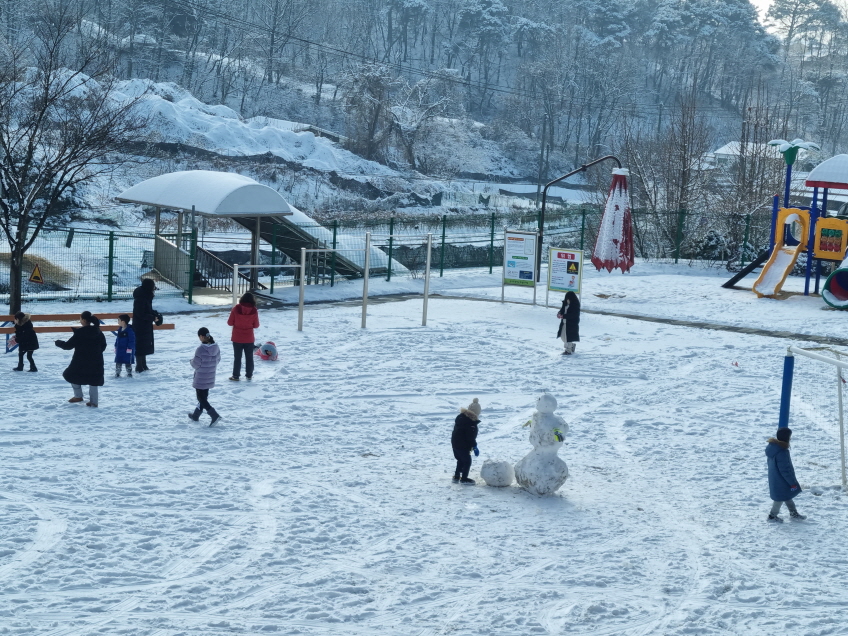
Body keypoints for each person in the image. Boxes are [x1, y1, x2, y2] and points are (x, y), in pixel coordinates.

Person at [55, 311, 107, 407]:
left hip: (80, 361)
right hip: (96, 360)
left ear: (83, 320)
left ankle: (78, 396)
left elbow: (68, 346)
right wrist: (96, 353)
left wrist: (58, 342)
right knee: (93, 379)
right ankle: (94, 402)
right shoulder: (98, 331)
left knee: (70, 374)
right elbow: (103, 345)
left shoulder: (80, 333)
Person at [766, 427, 806, 522]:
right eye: (789, 437)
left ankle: (793, 513)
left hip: (775, 477)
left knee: (787, 495)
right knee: (779, 498)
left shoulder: (772, 448)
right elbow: (785, 470)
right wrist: (792, 482)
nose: (790, 439)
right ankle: (772, 516)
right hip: (782, 479)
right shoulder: (782, 452)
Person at [189, 327, 222, 425]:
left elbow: (196, 364)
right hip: (210, 376)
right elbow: (218, 360)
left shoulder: (200, 349)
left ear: (202, 336)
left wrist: (191, 361)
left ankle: (214, 415)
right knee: (204, 398)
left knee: (201, 398)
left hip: (200, 377)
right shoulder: (216, 347)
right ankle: (196, 415)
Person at [227, 292, 259, 381]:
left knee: (237, 358)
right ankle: (249, 375)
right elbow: (256, 325)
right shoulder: (254, 310)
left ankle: (236, 376)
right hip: (249, 338)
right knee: (249, 357)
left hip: (237, 337)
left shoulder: (236, 309)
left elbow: (229, 322)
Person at [451, 398, 481, 484]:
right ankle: (464, 478)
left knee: (460, 460)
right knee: (467, 461)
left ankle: (456, 476)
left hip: (455, 444)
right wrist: (474, 446)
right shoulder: (471, 423)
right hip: (462, 445)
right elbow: (470, 438)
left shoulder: (461, 417)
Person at [132, 278, 158, 373]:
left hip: (144, 324)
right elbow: (140, 313)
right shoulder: (141, 297)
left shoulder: (145, 295)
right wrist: (152, 318)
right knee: (140, 345)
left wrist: (154, 314)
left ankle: (143, 364)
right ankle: (139, 366)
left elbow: (147, 310)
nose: (154, 288)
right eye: (153, 286)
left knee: (144, 344)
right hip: (140, 325)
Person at [556, 291, 581, 355]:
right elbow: (562, 310)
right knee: (563, 336)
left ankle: (568, 350)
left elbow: (574, 314)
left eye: (568, 299)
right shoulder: (565, 303)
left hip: (572, 323)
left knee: (568, 337)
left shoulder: (575, 304)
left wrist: (564, 316)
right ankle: (572, 345)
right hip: (564, 322)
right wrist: (559, 313)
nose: (567, 300)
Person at [114, 314, 135, 378]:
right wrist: (116, 345)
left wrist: (130, 347)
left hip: (127, 349)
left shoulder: (129, 330)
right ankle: (117, 372)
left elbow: (132, 340)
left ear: (123, 322)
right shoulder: (120, 330)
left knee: (128, 361)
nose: (118, 321)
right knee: (118, 361)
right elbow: (117, 339)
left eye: (119, 320)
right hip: (120, 349)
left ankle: (129, 372)